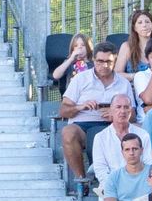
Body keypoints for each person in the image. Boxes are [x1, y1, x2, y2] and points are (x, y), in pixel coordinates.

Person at [57, 41, 134, 183]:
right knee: (68, 132)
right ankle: (82, 179)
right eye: (100, 61)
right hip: (83, 124)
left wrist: (118, 115)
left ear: (115, 60)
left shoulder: (123, 83)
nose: (104, 65)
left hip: (112, 125)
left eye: (108, 62)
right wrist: (79, 107)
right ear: (93, 60)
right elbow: (63, 111)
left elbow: (133, 113)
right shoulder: (81, 79)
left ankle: (126, 178)